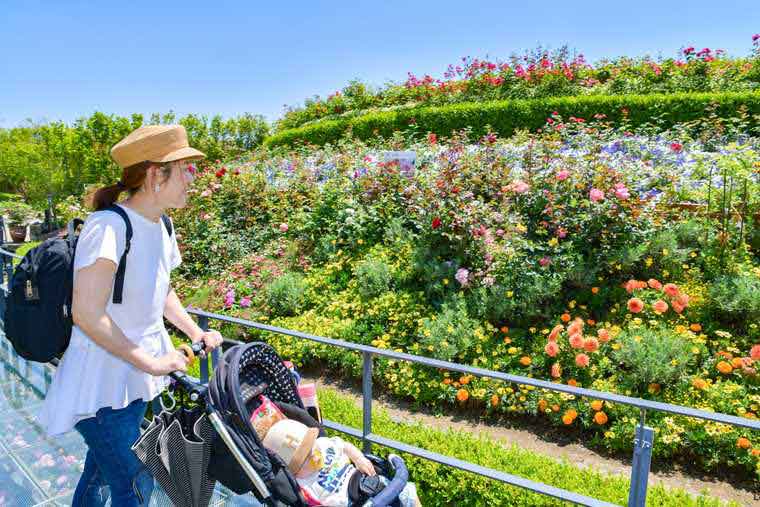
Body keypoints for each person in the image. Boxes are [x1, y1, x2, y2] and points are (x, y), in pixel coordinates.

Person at [38, 125, 223, 506]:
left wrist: (193, 331)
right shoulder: (108, 226)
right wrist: (152, 362)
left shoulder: (162, 225)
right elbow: (86, 313)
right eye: (185, 169)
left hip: (133, 380)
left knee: (101, 477)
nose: (192, 178)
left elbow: (161, 288)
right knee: (137, 482)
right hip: (102, 384)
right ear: (156, 175)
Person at [263, 419, 422, 507]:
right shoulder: (303, 485)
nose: (316, 456)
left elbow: (345, 447)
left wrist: (359, 458)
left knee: (407, 491)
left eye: (313, 448)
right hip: (353, 503)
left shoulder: (324, 445)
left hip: (371, 481)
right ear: (293, 470)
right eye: (306, 459)